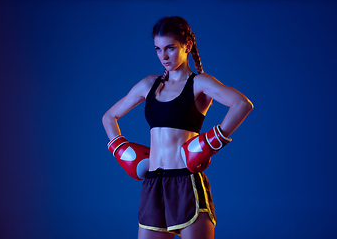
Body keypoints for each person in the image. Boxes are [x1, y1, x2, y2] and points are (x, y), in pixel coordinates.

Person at [102, 16, 253, 239]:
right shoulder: (149, 85)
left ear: (187, 46)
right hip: (154, 184)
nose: (163, 56)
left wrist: (212, 141)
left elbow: (242, 104)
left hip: (187, 183)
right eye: (158, 49)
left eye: (170, 48)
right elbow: (109, 116)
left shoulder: (199, 84)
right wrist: (120, 149)